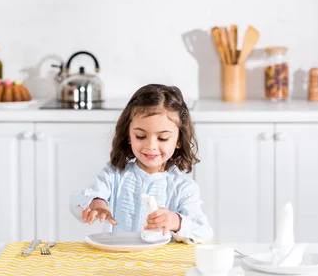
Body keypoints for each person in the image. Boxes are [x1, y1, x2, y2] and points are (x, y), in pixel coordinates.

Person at [70, 84, 213, 244]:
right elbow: (77, 202)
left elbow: (204, 232)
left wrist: (176, 221)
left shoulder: (183, 188)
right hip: (118, 260)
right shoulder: (113, 175)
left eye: (162, 138)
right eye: (140, 136)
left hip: (160, 265)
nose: (150, 146)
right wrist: (96, 202)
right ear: (129, 135)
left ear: (178, 140)